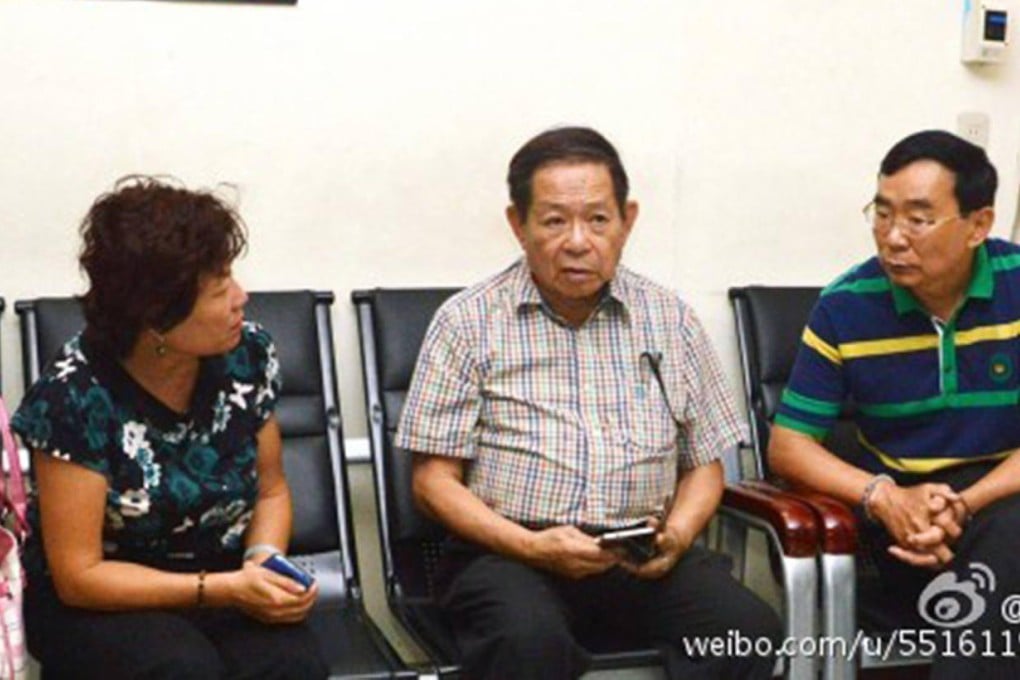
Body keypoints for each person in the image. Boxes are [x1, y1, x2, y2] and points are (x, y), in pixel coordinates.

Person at [398, 126, 781, 679]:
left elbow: (704, 465)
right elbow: (432, 483)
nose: (578, 241)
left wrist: (676, 536)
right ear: (518, 224)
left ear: (627, 220)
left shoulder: (669, 320)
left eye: (598, 219)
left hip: (636, 554)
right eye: (554, 220)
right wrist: (532, 548)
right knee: (527, 641)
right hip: (508, 554)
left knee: (744, 631)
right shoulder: (467, 322)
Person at [12, 177, 328, 679]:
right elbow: (80, 575)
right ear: (157, 318)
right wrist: (221, 589)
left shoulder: (249, 355)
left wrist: (264, 565)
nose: (241, 299)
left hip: (225, 577)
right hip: (106, 598)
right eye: (221, 290)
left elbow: (271, 492)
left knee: (292, 663)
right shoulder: (73, 394)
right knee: (181, 669)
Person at [770, 130, 1020, 678]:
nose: (893, 237)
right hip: (904, 530)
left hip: (1001, 495)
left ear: (978, 224)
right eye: (882, 214)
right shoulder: (846, 306)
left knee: (1009, 537)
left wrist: (967, 503)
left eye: (918, 218)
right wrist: (884, 498)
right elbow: (788, 446)